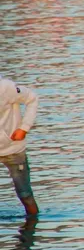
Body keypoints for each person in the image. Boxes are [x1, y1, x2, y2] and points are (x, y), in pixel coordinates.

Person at [0, 78, 39, 218]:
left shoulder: (5, 87)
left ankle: (31, 231)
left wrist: (24, 128)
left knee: (25, 195)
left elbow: (32, 98)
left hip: (12, 148)